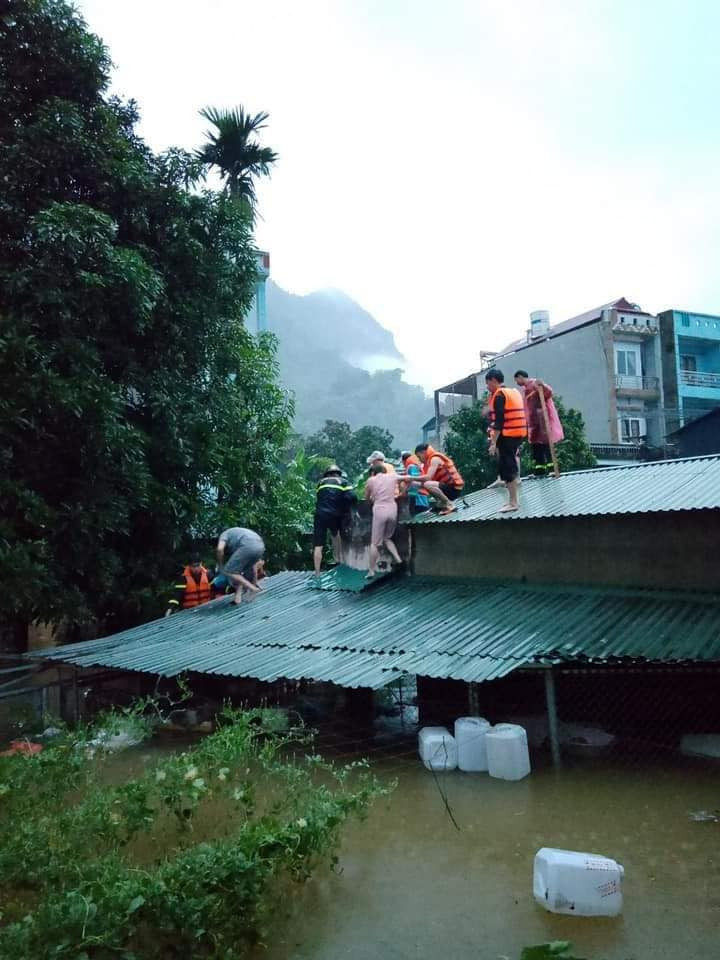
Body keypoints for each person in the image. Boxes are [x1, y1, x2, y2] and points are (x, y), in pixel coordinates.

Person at [485, 367, 527, 512]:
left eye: (488, 383)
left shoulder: (499, 395)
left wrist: (493, 443)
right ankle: (512, 501)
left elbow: (499, 422)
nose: (487, 386)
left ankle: (513, 502)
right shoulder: (513, 392)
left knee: (507, 468)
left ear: (494, 381)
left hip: (507, 435)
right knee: (509, 465)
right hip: (518, 433)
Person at [514, 370, 564, 475]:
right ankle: (539, 470)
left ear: (520, 377)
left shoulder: (534, 383)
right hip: (533, 423)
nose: (516, 382)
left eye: (516, 380)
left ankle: (551, 469)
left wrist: (543, 385)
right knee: (536, 446)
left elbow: (548, 392)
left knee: (546, 444)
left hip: (542, 420)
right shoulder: (525, 390)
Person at [313, 465, 356, 575]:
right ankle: (339, 561)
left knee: (318, 545)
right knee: (336, 536)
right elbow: (352, 497)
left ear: (327, 474)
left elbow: (319, 497)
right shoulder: (343, 482)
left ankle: (317, 572)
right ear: (338, 473)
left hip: (320, 515)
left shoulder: (320, 483)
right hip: (335, 514)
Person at [365, 463, 402, 578]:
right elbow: (409, 479)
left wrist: (371, 499)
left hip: (380, 509)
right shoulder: (392, 477)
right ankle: (398, 559)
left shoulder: (371, 480)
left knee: (374, 543)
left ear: (372, 473)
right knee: (387, 538)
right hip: (393, 509)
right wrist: (403, 492)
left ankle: (371, 571)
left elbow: (367, 497)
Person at [216, 526, 266, 605]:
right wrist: (255, 582)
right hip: (260, 546)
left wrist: (220, 564)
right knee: (239, 572)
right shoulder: (238, 533)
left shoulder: (224, 534)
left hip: (247, 546)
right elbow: (253, 568)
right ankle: (238, 598)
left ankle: (252, 588)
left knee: (228, 571)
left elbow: (219, 549)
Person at [413, 443, 464, 515]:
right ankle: (441, 504)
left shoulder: (435, 459)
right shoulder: (429, 461)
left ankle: (449, 505)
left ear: (423, 452)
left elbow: (428, 478)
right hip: (448, 487)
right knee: (424, 484)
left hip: (454, 488)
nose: (419, 460)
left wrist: (410, 478)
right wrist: (413, 483)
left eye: (419, 456)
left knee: (427, 484)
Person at [400, 451, 430, 515]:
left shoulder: (411, 466)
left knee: (416, 519)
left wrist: (402, 493)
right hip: (423, 497)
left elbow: (412, 482)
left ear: (403, 461)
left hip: (417, 498)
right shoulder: (417, 466)